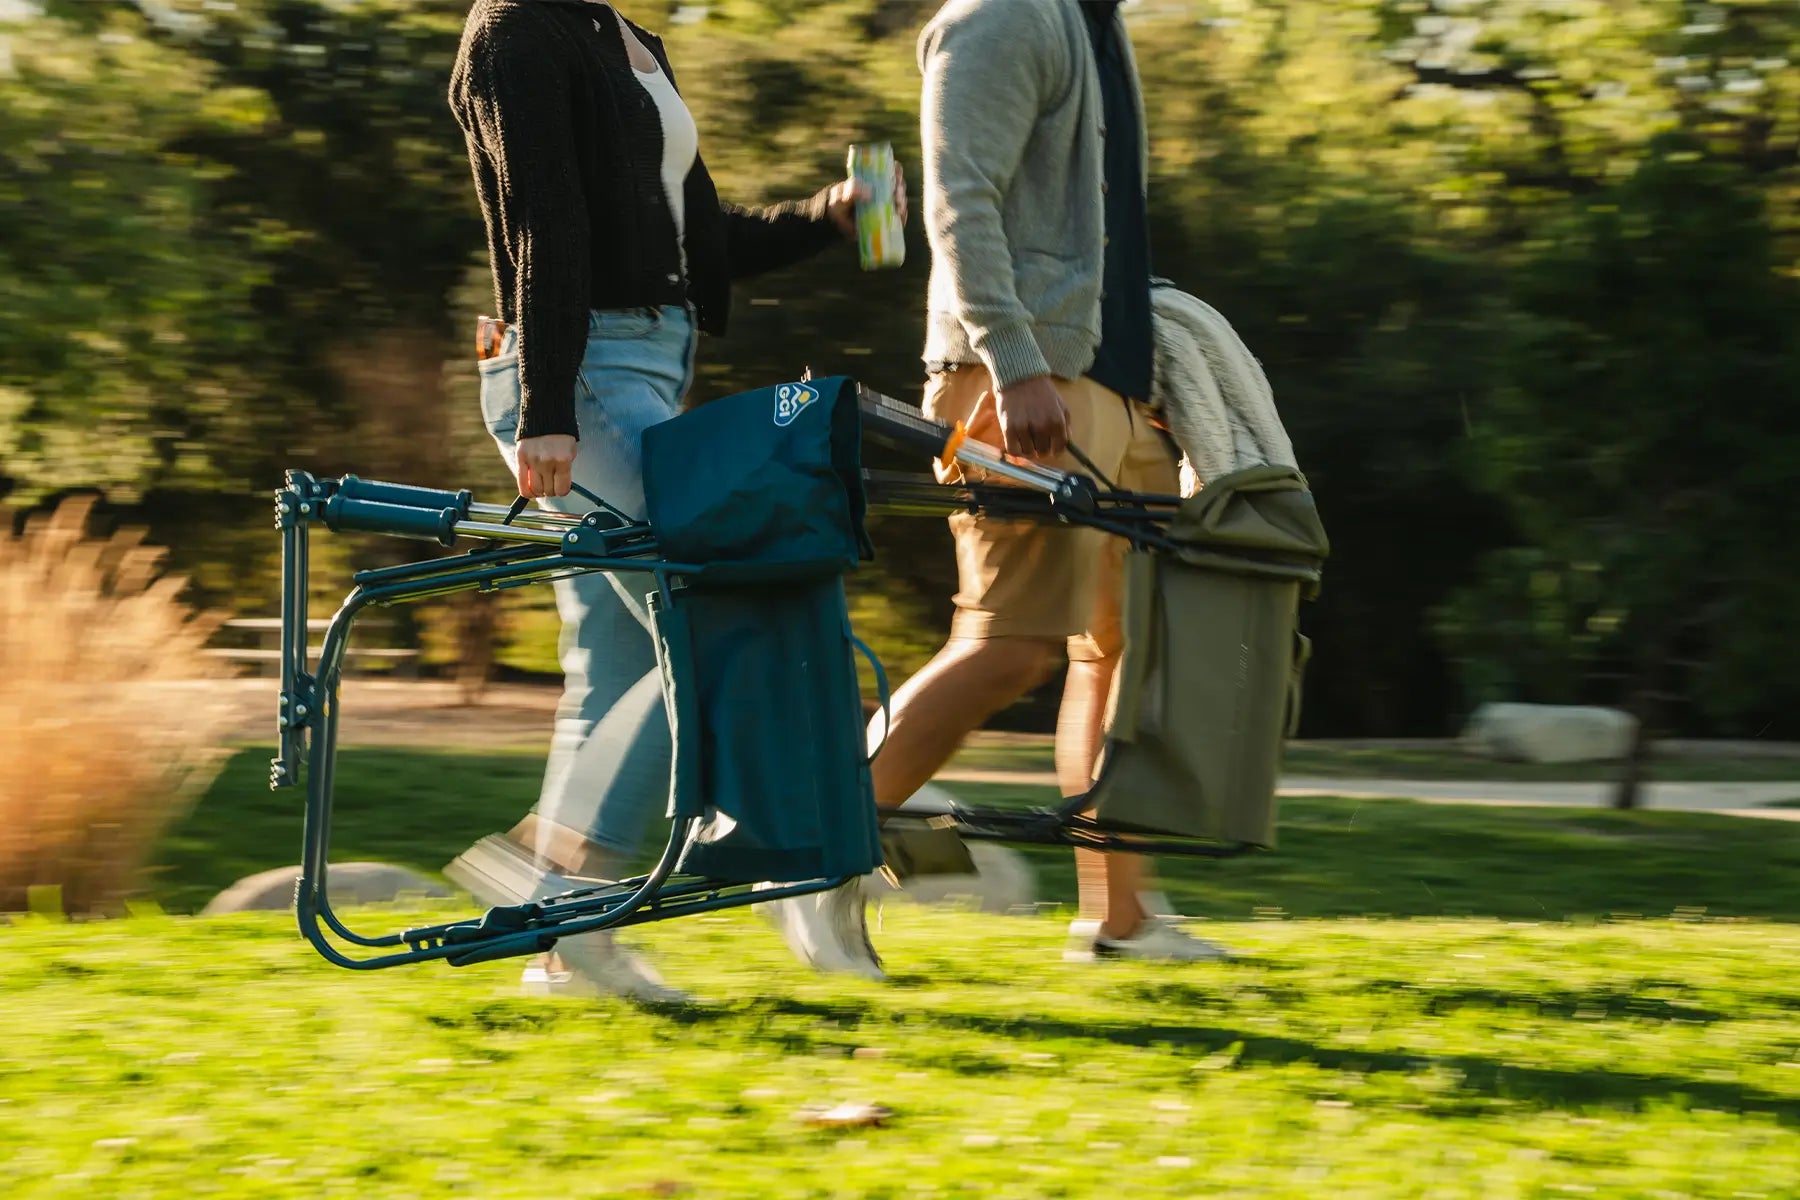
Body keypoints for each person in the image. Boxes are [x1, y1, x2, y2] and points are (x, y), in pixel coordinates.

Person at [442, 0, 905, 1003]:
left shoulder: (626, 37)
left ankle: (561, 946)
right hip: (582, 379)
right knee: (705, 619)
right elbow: (542, 223)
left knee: (613, 665)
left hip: (646, 368)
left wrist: (827, 217)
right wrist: (547, 405)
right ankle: (587, 888)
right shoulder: (519, 29)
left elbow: (699, 239)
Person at [763, 0, 1229, 975]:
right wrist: (1013, 364)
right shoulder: (1002, 15)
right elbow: (956, 198)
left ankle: (1123, 917)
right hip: (1016, 381)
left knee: (1123, 655)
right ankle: (815, 867)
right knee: (1008, 644)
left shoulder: (1098, 24)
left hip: (1106, 385)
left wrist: (1151, 383)